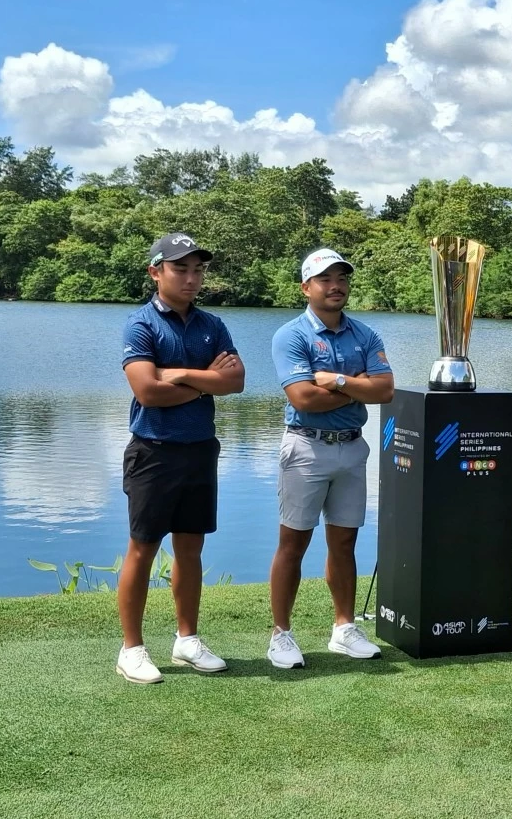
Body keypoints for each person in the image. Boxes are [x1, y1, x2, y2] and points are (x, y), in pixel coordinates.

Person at [116, 232, 245, 684]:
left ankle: (186, 640)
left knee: (190, 549)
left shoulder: (213, 325)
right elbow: (148, 392)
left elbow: (236, 383)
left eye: (198, 269)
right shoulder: (142, 325)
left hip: (200, 451)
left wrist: (186, 375)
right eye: (180, 269)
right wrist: (209, 377)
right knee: (143, 548)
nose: (192, 278)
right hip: (153, 451)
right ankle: (131, 649)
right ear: (156, 271)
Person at [267, 248, 394, 669]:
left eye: (341, 277)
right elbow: (302, 398)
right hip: (306, 446)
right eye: (325, 279)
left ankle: (343, 628)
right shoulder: (291, 335)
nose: (335, 285)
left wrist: (337, 380)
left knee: (344, 541)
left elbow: (385, 391)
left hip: (352, 447)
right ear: (306, 287)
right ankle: (281, 634)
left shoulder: (366, 335)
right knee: (294, 542)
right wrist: (358, 385)